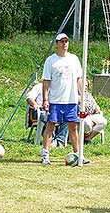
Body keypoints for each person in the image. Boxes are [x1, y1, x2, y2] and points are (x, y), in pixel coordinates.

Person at [40, 33, 89, 165]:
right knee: (50, 126)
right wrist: (45, 100)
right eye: (62, 41)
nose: (64, 44)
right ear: (57, 44)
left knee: (73, 127)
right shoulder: (51, 60)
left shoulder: (74, 59)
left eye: (66, 41)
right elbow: (46, 81)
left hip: (71, 100)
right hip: (56, 100)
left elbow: (79, 78)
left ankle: (78, 154)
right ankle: (45, 154)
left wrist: (82, 95)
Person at [26, 81, 68, 147]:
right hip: (40, 110)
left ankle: (60, 140)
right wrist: (34, 104)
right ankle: (51, 140)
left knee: (67, 117)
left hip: (54, 110)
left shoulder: (58, 88)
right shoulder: (39, 86)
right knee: (47, 116)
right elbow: (29, 97)